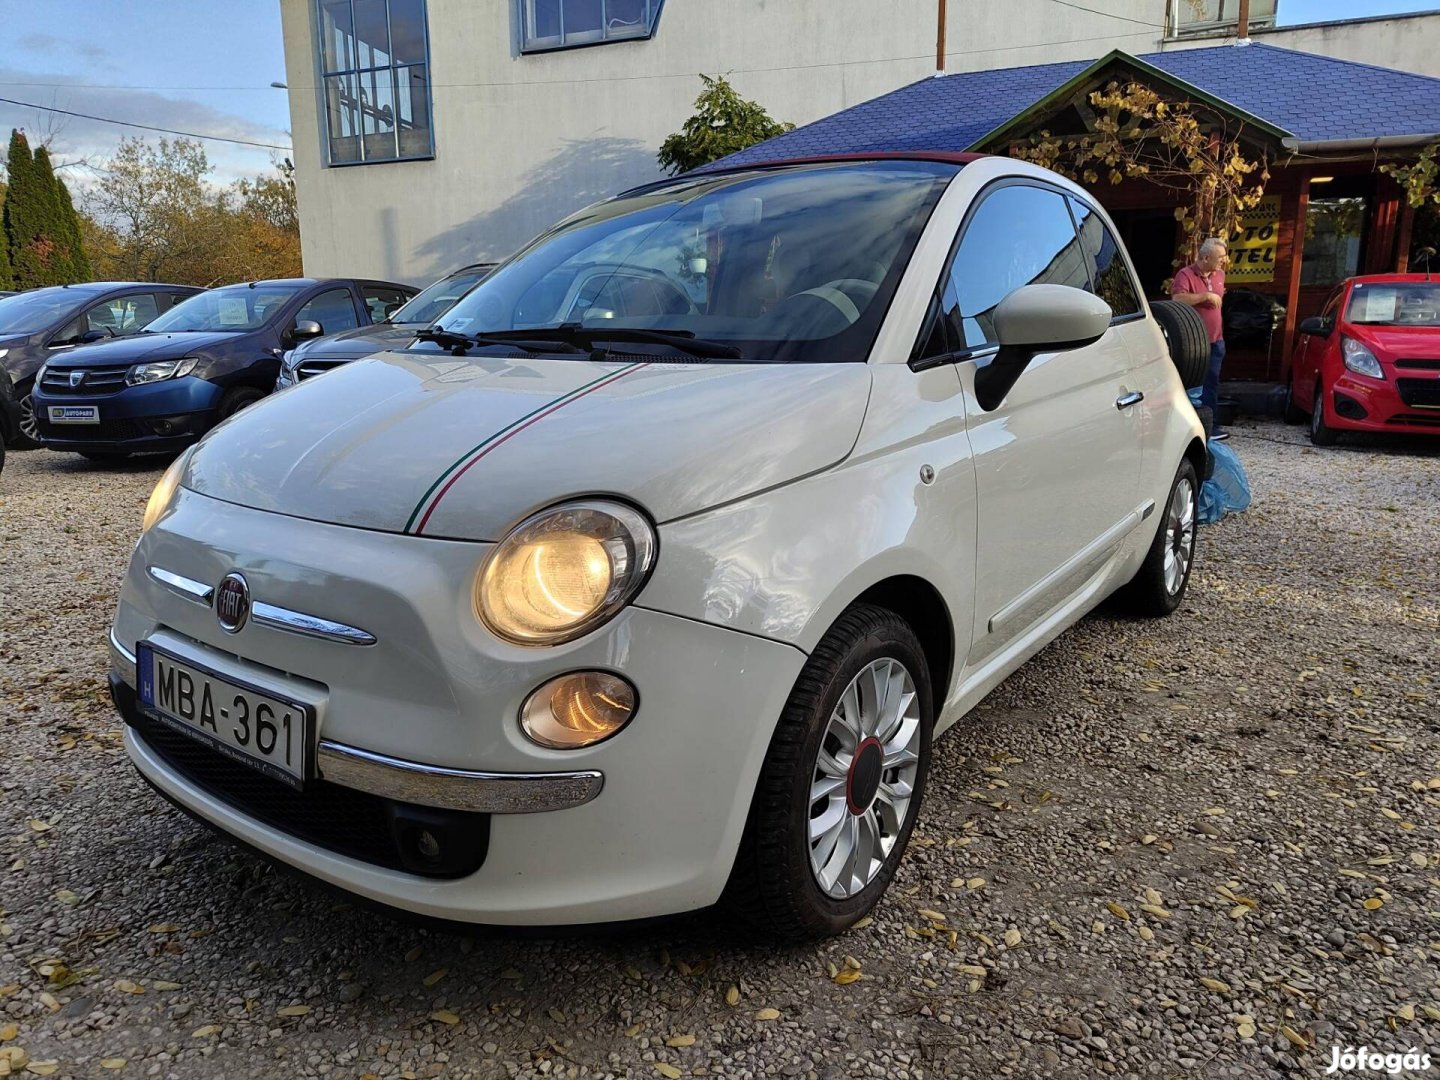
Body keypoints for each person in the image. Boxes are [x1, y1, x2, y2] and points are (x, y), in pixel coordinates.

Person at [1170, 237, 1230, 440]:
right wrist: (1204, 296)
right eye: (1220, 256)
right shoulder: (1185, 275)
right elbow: (1178, 299)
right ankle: (1188, 427)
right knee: (1193, 384)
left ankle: (1210, 427)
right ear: (1205, 257)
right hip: (1194, 341)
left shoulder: (1220, 274)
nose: (1224, 260)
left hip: (1216, 340)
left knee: (1212, 382)